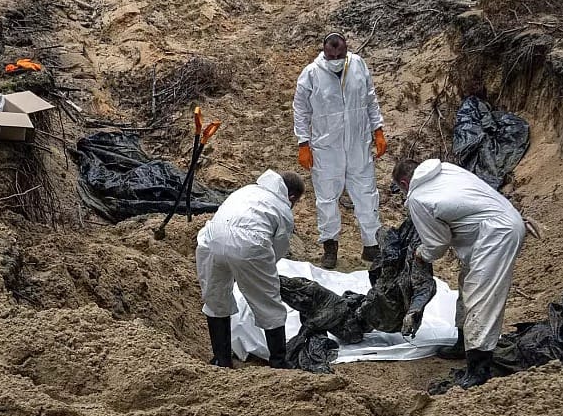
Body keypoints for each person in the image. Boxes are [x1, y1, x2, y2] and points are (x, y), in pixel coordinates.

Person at [393, 158, 526, 388]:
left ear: (404, 183)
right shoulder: (445, 169)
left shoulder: (418, 198)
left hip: (497, 234)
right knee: (467, 283)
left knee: (481, 298)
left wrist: (421, 254)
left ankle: (478, 369)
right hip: (497, 224)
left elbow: (438, 244)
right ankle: (463, 342)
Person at [293, 32, 388, 270]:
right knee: (327, 197)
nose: (336, 59)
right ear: (324, 52)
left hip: (358, 144)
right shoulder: (311, 74)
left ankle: (371, 244)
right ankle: (330, 245)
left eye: (340, 54)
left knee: (366, 194)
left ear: (346, 50)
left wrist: (378, 130)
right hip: (327, 147)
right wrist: (303, 143)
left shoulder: (358, 65)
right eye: (332, 55)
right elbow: (301, 110)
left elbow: (370, 98)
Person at [197, 169, 306, 370]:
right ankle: (279, 362)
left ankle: (221, 359)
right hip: (250, 243)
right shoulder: (282, 208)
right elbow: (278, 249)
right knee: (269, 304)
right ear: (291, 197)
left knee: (216, 298)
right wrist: (258, 273)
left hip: (211, 238)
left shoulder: (247, 190)